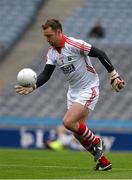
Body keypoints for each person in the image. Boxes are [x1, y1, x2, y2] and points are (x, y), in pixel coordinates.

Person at [15, 19, 125, 171]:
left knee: (67, 122)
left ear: (59, 32)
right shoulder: (52, 53)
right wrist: (33, 86)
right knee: (77, 132)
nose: (47, 40)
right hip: (73, 92)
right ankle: (104, 162)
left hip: (89, 88)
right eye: (45, 37)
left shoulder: (74, 44)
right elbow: (45, 75)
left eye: (49, 36)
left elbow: (100, 53)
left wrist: (113, 74)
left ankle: (98, 141)